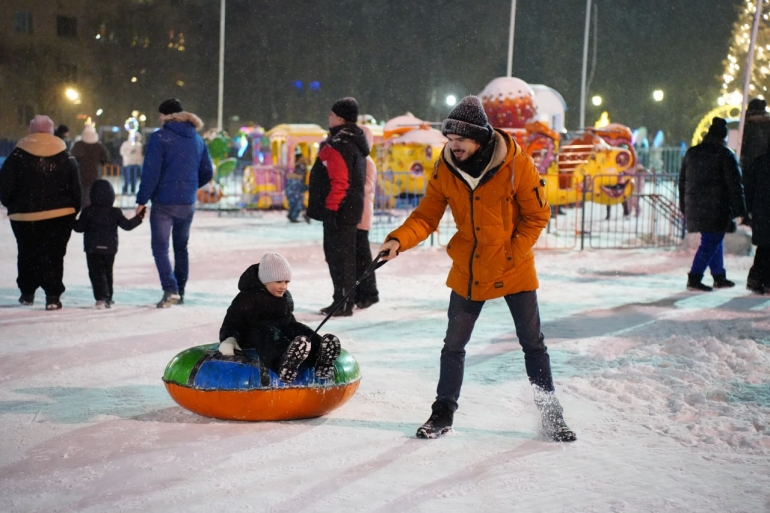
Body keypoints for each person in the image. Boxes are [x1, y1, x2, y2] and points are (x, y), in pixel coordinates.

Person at [379, 96, 576, 442]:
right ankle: (442, 413)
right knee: (453, 344)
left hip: (514, 267)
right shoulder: (445, 168)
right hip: (469, 267)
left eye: (461, 140)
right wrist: (398, 240)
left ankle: (551, 415)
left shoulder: (516, 165)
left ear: (480, 138)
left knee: (532, 343)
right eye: (450, 139)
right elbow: (426, 216)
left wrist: (512, 253)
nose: (453, 146)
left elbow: (537, 215)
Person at [135, 98, 214, 308]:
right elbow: (207, 171)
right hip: (187, 203)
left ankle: (171, 290)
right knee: (181, 247)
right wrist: (190, 185)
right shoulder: (197, 139)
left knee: (160, 248)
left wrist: (142, 200)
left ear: (165, 116)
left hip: (164, 202)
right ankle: (181, 290)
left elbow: (151, 173)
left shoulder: (160, 138)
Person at [218, 253, 342, 383]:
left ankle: (320, 355)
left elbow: (288, 320)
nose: (283, 286)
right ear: (265, 281)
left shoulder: (285, 296)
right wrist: (229, 339)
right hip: (254, 338)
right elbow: (231, 322)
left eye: (286, 282)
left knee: (296, 327)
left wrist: (299, 334)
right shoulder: (247, 297)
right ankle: (283, 363)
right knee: (266, 330)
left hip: (278, 335)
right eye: (278, 282)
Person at [0, 115, 81, 310]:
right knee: (54, 254)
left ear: (31, 131)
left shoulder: (17, 156)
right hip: (60, 214)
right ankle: (52, 295)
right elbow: (75, 187)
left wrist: (13, 205)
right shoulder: (65, 155)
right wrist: (72, 210)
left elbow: (5, 187)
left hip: (24, 215)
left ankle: (27, 292)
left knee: (27, 252)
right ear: (51, 131)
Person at [306, 97, 369, 317]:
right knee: (345, 257)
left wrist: (331, 209)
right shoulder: (354, 141)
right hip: (351, 208)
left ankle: (342, 302)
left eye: (332, 114)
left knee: (338, 257)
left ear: (340, 119)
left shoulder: (339, 144)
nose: (329, 117)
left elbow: (340, 181)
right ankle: (344, 300)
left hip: (340, 210)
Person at [679, 117, 746, 292]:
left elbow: (682, 182)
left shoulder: (692, 153)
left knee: (714, 239)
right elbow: (735, 185)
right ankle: (694, 278)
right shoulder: (725, 154)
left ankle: (719, 276)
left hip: (695, 205)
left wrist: (684, 206)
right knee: (711, 241)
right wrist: (740, 210)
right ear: (723, 137)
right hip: (716, 206)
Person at [73, 180, 145, 308]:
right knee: (107, 272)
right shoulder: (115, 212)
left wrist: (71, 219)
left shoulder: (88, 211)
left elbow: (79, 228)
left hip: (92, 248)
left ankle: (101, 298)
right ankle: (108, 297)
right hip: (109, 249)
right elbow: (127, 226)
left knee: (96, 273)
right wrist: (139, 218)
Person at [354, 125, 379, 309]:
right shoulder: (359, 160)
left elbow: (367, 186)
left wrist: (349, 190)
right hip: (356, 212)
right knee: (358, 256)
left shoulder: (367, 162)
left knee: (363, 256)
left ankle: (369, 293)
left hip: (361, 214)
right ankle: (361, 292)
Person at [744, 137, 770, 294]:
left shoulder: (759, 162)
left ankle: (756, 279)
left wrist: (747, 210)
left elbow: (748, 188)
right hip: (762, 210)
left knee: (764, 247)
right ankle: (764, 281)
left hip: (761, 211)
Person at [71, 122, 110, 209]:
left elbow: (72, 158)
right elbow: (105, 158)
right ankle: (94, 209)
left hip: (81, 174)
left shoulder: (78, 145)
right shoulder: (98, 146)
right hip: (95, 173)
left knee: (84, 194)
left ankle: (85, 210)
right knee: (94, 193)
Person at [739, 98, 770, 172]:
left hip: (749, 164)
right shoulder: (767, 124)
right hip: (766, 165)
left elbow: (741, 144)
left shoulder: (747, 125)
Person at [285, 149, 308, 223]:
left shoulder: (297, 165)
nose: (304, 158)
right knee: (298, 202)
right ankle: (294, 216)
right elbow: (299, 176)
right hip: (296, 185)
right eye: (302, 157)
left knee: (296, 202)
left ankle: (292, 215)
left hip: (295, 186)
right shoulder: (300, 165)